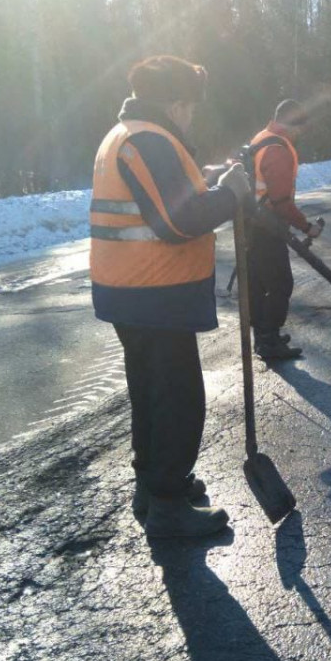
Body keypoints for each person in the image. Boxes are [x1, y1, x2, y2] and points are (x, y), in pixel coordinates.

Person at [90, 55, 254, 536]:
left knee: (150, 393)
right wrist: (231, 196)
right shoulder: (149, 139)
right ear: (177, 103)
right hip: (153, 293)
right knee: (178, 398)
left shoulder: (127, 133)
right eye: (191, 107)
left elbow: (162, 195)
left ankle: (155, 487)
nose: (192, 117)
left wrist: (209, 178)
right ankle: (167, 504)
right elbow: (177, 220)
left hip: (134, 292)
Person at [246, 99, 322, 361]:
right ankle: (269, 342)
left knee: (257, 283)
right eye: (301, 127)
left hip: (250, 223)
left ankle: (263, 337)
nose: (301, 133)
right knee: (280, 283)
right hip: (266, 226)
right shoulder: (279, 149)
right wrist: (307, 227)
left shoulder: (261, 137)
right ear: (294, 125)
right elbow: (280, 202)